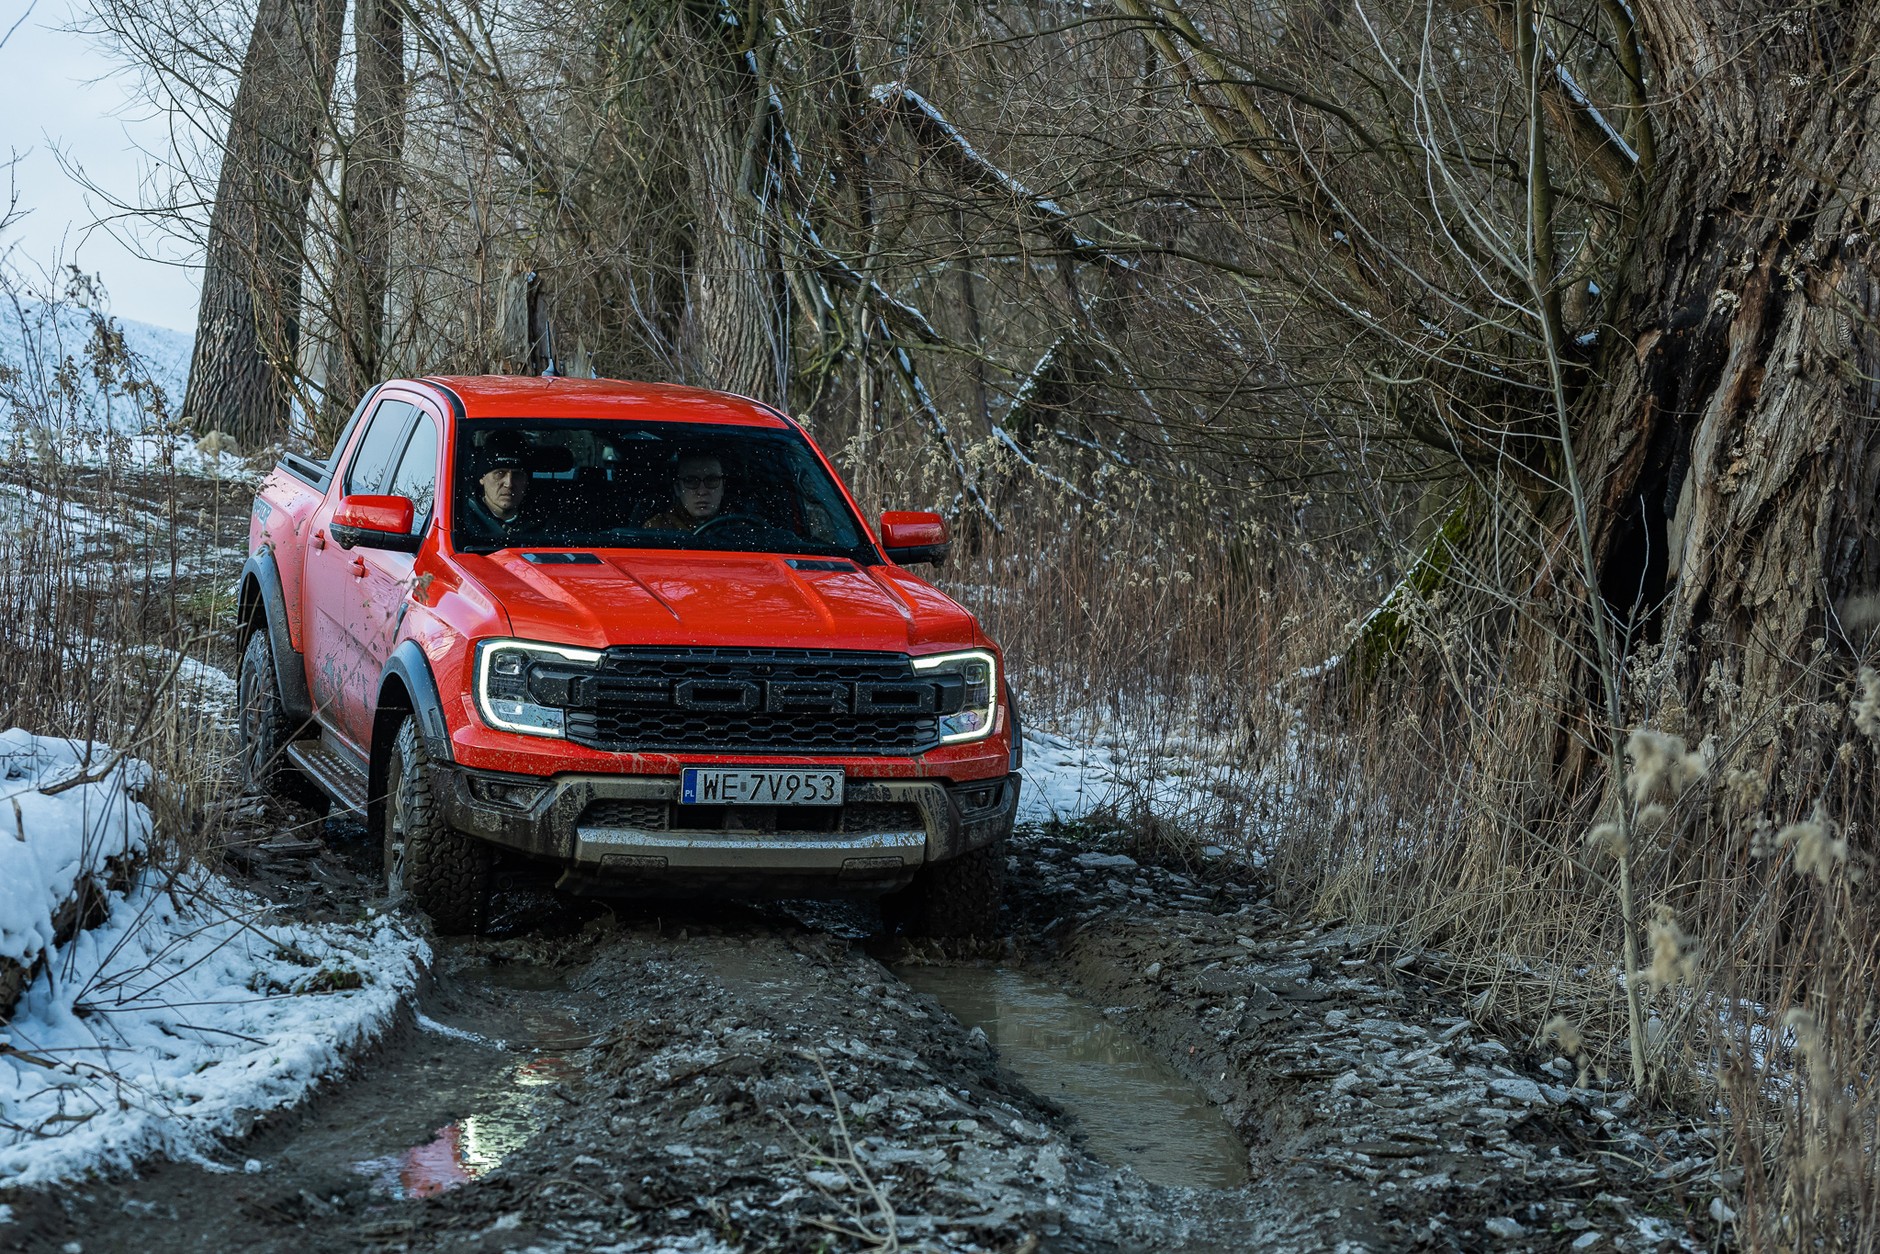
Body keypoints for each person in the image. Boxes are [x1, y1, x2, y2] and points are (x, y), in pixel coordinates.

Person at [458, 429, 542, 548]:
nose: (509, 483)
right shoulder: (460, 522)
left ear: (526, 481)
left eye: (517, 475)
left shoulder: (549, 525)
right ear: (482, 478)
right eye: (500, 473)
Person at [642, 450, 730, 531]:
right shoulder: (657, 529)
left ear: (723, 487)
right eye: (691, 481)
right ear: (677, 488)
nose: (702, 492)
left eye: (711, 480)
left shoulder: (740, 526)